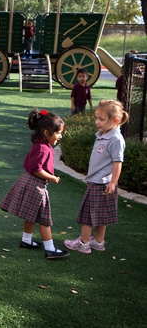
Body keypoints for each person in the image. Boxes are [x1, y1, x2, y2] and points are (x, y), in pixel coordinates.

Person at [0, 109, 69, 260]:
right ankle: (50, 249)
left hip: (30, 182)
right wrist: (51, 177)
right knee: (44, 219)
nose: (60, 136)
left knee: (31, 216)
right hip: (35, 185)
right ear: (46, 132)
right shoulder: (43, 148)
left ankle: (26, 240)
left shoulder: (41, 145)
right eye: (58, 133)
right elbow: (36, 169)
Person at [64, 100, 128, 254]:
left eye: (101, 119)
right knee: (101, 214)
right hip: (97, 181)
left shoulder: (116, 139)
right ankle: (98, 242)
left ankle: (84, 243)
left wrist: (113, 182)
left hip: (103, 183)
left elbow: (117, 162)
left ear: (116, 121)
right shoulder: (103, 134)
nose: (97, 122)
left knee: (88, 215)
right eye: (96, 118)